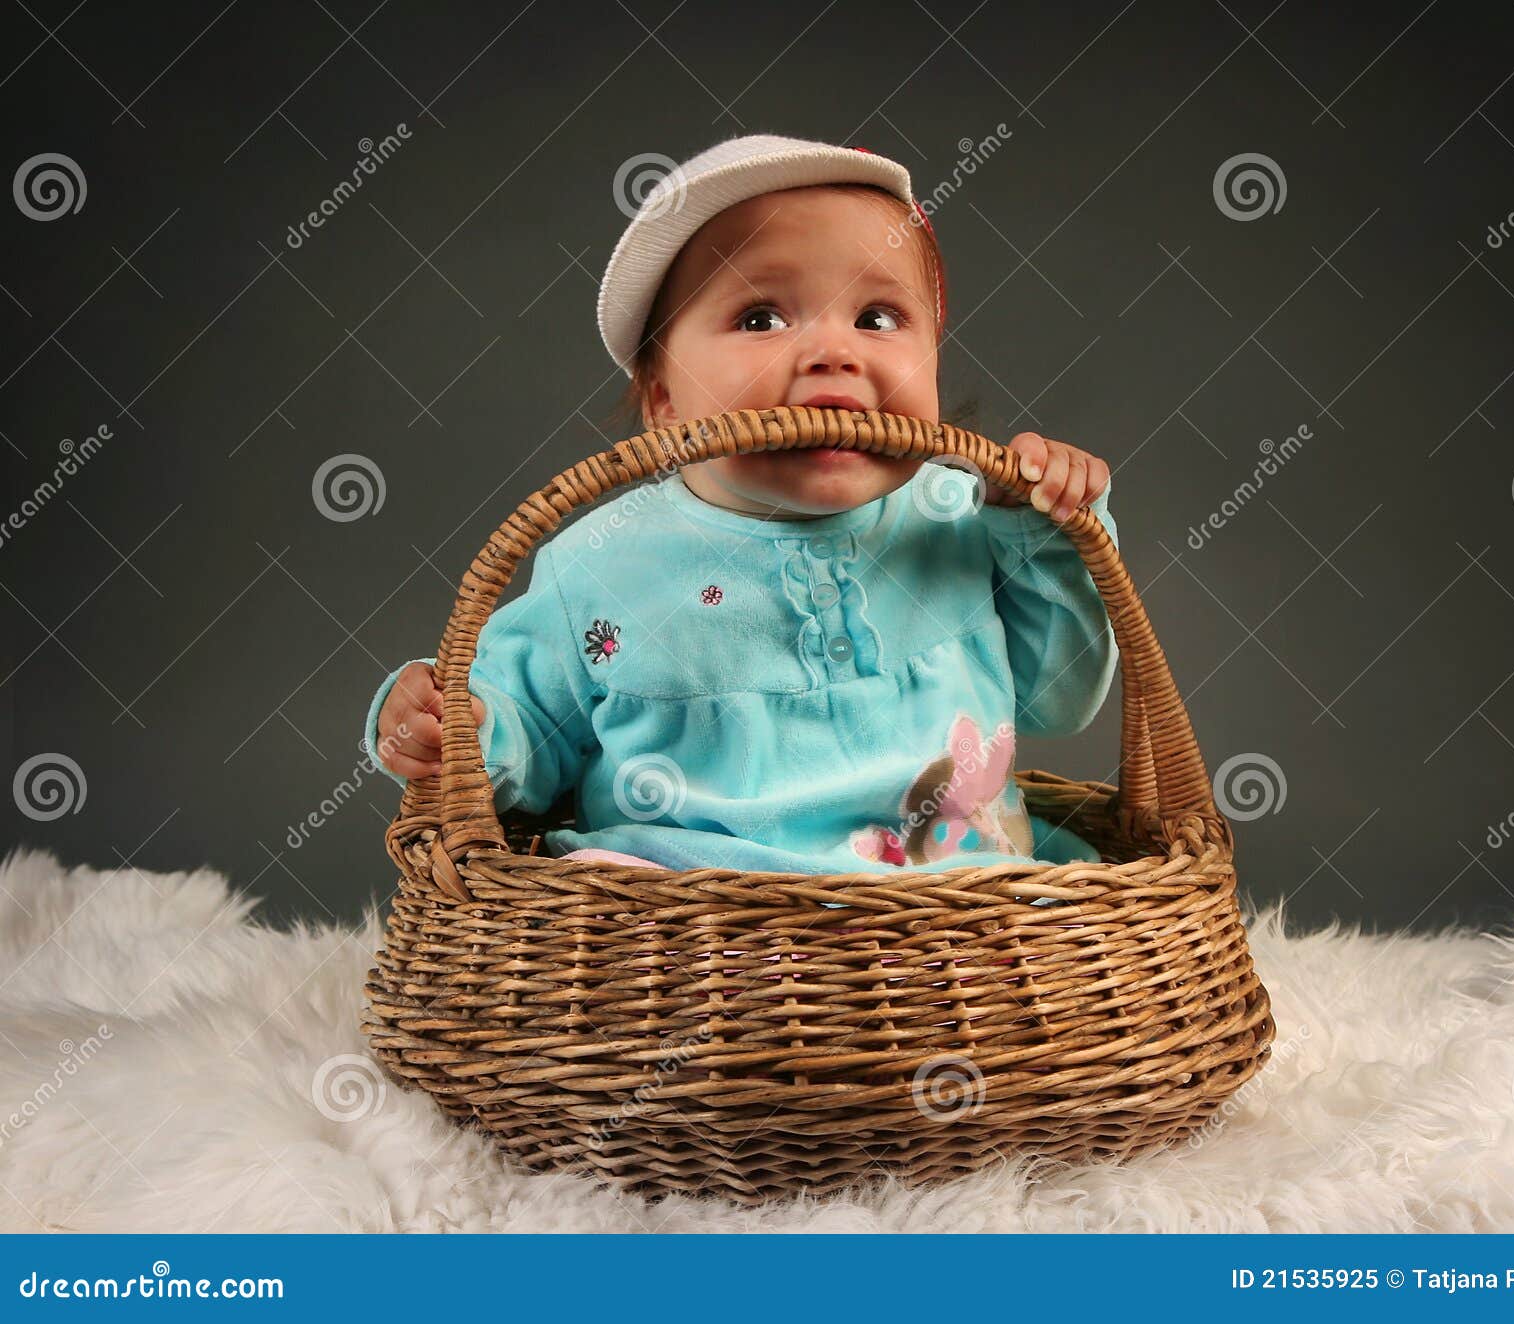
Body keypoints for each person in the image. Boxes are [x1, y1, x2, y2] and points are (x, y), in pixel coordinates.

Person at [365, 132, 1119, 876]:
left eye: (879, 318)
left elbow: (1061, 698)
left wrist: (1044, 525)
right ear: (664, 403)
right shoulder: (603, 563)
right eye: (760, 318)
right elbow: (524, 733)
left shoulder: (962, 514)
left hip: (952, 920)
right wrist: (459, 729)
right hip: (701, 940)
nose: (834, 352)